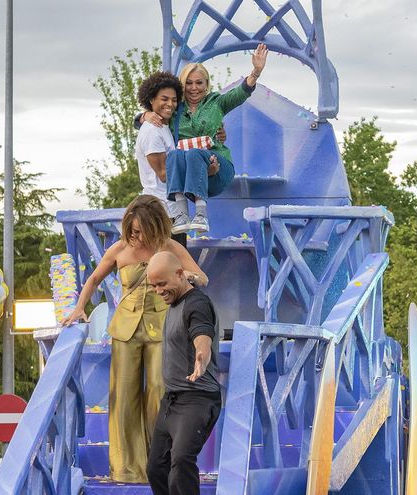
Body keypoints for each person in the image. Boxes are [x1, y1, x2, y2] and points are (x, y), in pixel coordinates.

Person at [64, 195, 208, 483]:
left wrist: (187, 276)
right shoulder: (120, 249)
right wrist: (79, 307)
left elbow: (202, 278)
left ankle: (160, 466)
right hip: (126, 330)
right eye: (131, 230)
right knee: (123, 397)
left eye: (140, 231)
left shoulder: (170, 248)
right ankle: (127, 469)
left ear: (155, 227)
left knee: (159, 392)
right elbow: (93, 280)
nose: (135, 236)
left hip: (164, 330)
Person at [140, 44, 269, 233]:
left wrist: (256, 72)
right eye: (189, 83)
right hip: (193, 172)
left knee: (193, 153)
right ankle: (181, 215)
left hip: (217, 167)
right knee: (177, 155)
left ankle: (201, 214)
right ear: (182, 86)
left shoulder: (216, 103)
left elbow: (240, 92)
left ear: (206, 85)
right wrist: (143, 116)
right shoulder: (176, 110)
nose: (194, 88)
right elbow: (156, 114)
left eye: (199, 83)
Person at [145, 251, 221, 495]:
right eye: (154, 285)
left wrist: (202, 356)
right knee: (156, 468)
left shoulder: (197, 304)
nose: (158, 290)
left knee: (181, 463)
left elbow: (202, 337)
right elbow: (188, 278)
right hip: (172, 400)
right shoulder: (177, 298)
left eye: (162, 283)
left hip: (198, 399)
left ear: (179, 275)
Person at [135, 71, 217, 247]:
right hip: (159, 212)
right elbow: (164, 174)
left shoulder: (165, 126)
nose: (170, 104)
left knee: (177, 269)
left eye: (173, 100)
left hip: (174, 213)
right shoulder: (151, 131)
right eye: (164, 99)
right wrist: (200, 169)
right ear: (151, 100)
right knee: (164, 269)